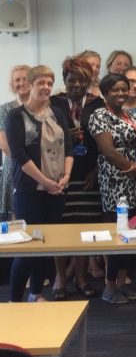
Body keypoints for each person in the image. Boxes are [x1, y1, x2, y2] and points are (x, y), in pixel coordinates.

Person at [6, 65, 73, 302]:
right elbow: (19, 155)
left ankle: (36, 293)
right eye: (41, 83)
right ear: (29, 85)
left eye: (49, 83)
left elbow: (69, 149)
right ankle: (14, 301)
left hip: (56, 190)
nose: (46, 87)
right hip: (29, 191)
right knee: (28, 249)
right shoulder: (15, 116)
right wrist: (45, 181)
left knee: (47, 245)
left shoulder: (57, 113)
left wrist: (65, 176)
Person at [89, 73, 136, 304]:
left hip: (134, 179)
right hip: (114, 180)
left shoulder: (128, 115)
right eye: (116, 90)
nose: (122, 93)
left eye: (124, 89)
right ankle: (109, 286)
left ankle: (122, 283)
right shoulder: (99, 115)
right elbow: (108, 151)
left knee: (131, 232)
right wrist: (135, 170)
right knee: (118, 233)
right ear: (105, 93)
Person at [49, 56, 104, 299]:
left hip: (88, 176)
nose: (77, 86)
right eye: (72, 80)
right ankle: (61, 278)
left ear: (89, 81)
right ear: (64, 80)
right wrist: (65, 136)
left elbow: (104, 142)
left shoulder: (97, 104)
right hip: (59, 176)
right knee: (59, 229)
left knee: (84, 229)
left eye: (82, 81)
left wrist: (97, 170)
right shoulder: (53, 104)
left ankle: (81, 278)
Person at [0, 65, 30, 221]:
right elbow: (4, 144)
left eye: (25, 78)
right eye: (17, 80)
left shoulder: (45, 106)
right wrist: (27, 163)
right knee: (14, 219)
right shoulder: (5, 109)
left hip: (39, 169)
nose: (21, 83)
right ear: (12, 84)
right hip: (14, 168)